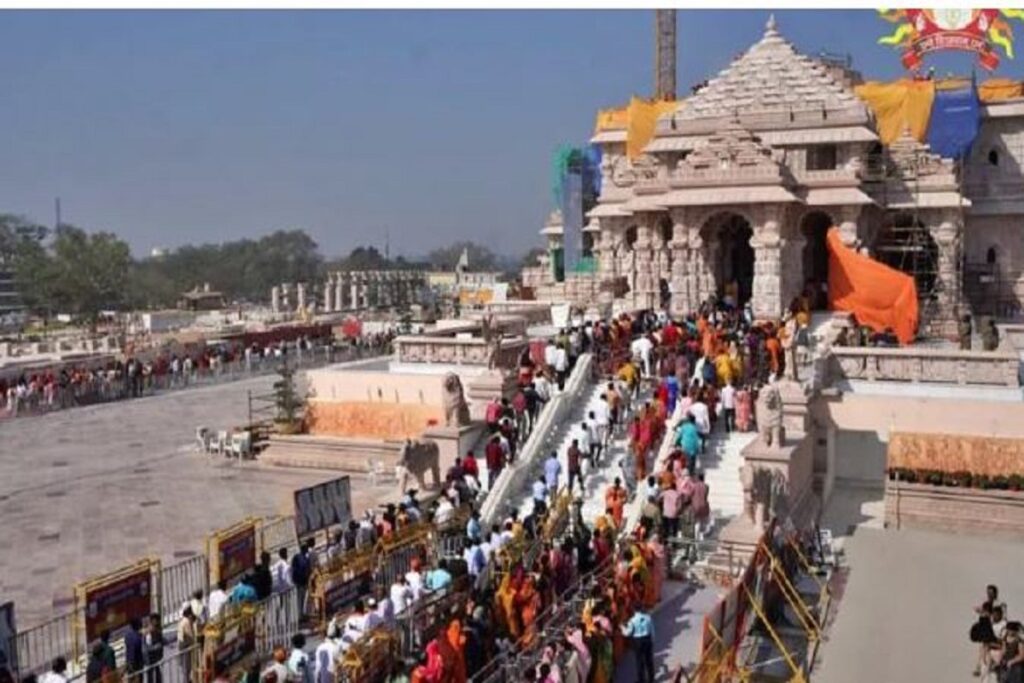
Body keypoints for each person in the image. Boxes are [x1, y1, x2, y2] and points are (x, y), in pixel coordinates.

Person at [621, 606, 655, 683]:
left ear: (634, 609)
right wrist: (652, 640)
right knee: (649, 660)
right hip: (647, 639)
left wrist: (622, 628)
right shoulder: (647, 618)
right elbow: (652, 630)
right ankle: (651, 679)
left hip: (638, 641)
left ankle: (641, 680)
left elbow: (627, 633)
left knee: (639, 662)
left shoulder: (632, 621)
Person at [176, 607, 196, 682]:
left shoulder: (182, 620)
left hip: (181, 644)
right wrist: (195, 643)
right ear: (189, 615)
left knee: (185, 665)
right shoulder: (186, 622)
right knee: (187, 666)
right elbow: (190, 635)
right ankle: (186, 681)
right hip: (185, 645)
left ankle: (187, 680)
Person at [144, 613, 165, 683]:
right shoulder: (149, 631)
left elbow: (161, 639)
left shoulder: (157, 628)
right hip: (150, 658)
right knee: (151, 675)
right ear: (152, 620)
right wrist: (155, 647)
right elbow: (147, 646)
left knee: (158, 673)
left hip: (157, 657)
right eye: (157, 620)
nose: (158, 622)